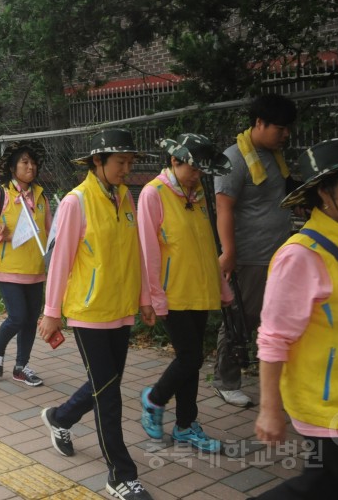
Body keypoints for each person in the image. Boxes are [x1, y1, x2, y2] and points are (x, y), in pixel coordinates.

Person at [254, 138, 338, 499]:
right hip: (333, 406)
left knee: (326, 486)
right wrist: (269, 409)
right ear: (326, 191)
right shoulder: (301, 256)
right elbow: (273, 337)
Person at [37, 128, 156, 500]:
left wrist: (145, 296)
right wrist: (51, 311)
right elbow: (60, 260)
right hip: (88, 312)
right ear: (98, 163)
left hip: (120, 309)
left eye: (129, 163)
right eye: (121, 162)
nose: (126, 169)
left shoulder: (124, 197)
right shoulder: (77, 202)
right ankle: (121, 475)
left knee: (108, 383)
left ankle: (61, 418)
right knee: (109, 394)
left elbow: (135, 251)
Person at [137, 134, 234, 453]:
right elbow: (147, 251)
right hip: (172, 292)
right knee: (190, 356)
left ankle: (185, 426)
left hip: (199, 289)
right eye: (193, 169)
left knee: (192, 360)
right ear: (174, 161)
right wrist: (152, 297)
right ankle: (154, 399)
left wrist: (220, 285)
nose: (198, 176)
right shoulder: (153, 194)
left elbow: (208, 243)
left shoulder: (195, 193)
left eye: (202, 171)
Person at [214, 93, 297, 407]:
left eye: (288, 128)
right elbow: (224, 209)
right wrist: (229, 252)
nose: (286, 134)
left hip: (279, 254)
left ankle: (276, 380)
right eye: (280, 128)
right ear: (259, 123)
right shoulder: (234, 159)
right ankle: (225, 380)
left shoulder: (274, 156)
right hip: (250, 256)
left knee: (277, 319)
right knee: (240, 319)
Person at [0, 141, 51, 387]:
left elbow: (50, 230)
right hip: (8, 269)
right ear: (12, 167)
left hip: (35, 269)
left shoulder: (41, 196)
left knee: (30, 320)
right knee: (17, 317)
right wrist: (1, 235)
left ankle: (21, 366)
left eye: (33, 162)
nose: (31, 167)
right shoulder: (0, 194)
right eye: (25, 162)